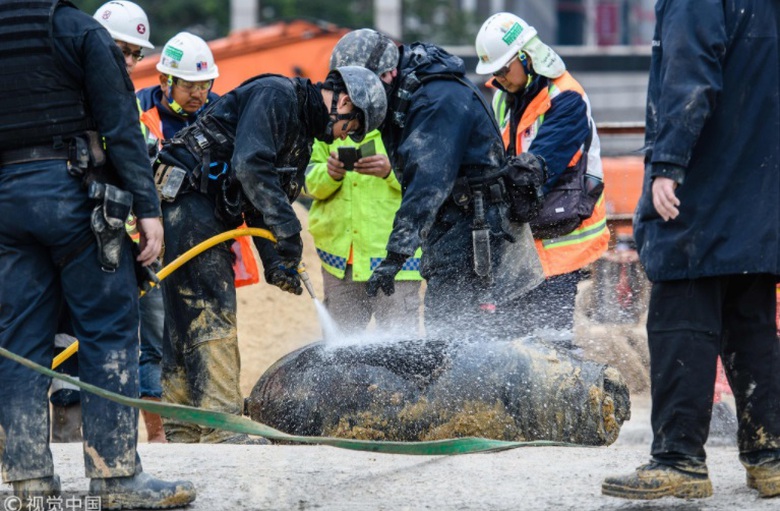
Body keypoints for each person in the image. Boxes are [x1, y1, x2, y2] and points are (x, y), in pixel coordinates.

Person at [0, 0, 195, 508]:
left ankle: (28, 480)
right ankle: (115, 479)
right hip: (71, 195)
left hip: (4, 204)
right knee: (108, 327)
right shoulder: (78, 31)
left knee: (19, 338)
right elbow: (120, 126)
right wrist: (147, 208)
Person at [602, 0, 780, 500]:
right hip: (759, 188)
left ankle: (679, 459)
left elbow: (689, 69)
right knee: (752, 321)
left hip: (703, 187)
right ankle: (769, 456)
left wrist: (668, 162)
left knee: (680, 314)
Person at [154, 65, 387, 443]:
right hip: (187, 198)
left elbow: (259, 199)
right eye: (354, 127)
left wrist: (276, 260)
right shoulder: (277, 95)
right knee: (210, 303)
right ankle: (221, 427)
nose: (349, 136)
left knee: (187, 312)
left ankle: (184, 429)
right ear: (345, 102)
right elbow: (249, 165)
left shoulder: (302, 133)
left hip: (201, 205)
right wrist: (289, 229)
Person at [330, 29, 544, 340]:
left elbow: (427, 185)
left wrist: (395, 256)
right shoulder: (411, 94)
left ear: (387, 75)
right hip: (459, 227)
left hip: (480, 234)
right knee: (456, 339)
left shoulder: (436, 100)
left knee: (456, 340)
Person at [473, 13, 609, 348]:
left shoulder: (567, 98)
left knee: (552, 350)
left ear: (526, 56)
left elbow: (532, 177)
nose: (498, 79)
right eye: (494, 72)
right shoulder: (504, 97)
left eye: (503, 69)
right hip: (525, 240)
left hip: (560, 240)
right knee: (513, 349)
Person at [135, 30, 223, 443]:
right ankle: (159, 435)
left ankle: (208, 422)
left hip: (204, 246)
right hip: (149, 247)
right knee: (156, 340)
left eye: (204, 85)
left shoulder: (219, 114)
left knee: (205, 333)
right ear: (165, 80)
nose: (198, 94)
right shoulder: (137, 114)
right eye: (189, 85)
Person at [305, 39, 423, 338]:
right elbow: (306, 180)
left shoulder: (407, 117)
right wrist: (328, 174)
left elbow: (429, 182)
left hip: (396, 261)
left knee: (400, 357)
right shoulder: (328, 116)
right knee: (338, 363)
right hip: (340, 263)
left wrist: (390, 172)